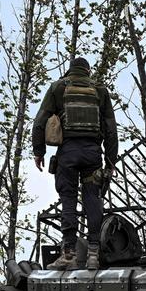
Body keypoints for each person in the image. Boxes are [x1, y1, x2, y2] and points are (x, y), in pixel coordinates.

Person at [32, 56, 118, 271]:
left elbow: (39, 121)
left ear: (70, 71)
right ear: (88, 71)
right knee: (92, 199)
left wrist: (38, 151)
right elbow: (111, 129)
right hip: (92, 154)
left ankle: (68, 255)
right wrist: (110, 160)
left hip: (67, 154)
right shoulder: (100, 90)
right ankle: (93, 254)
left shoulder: (58, 88)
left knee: (68, 198)